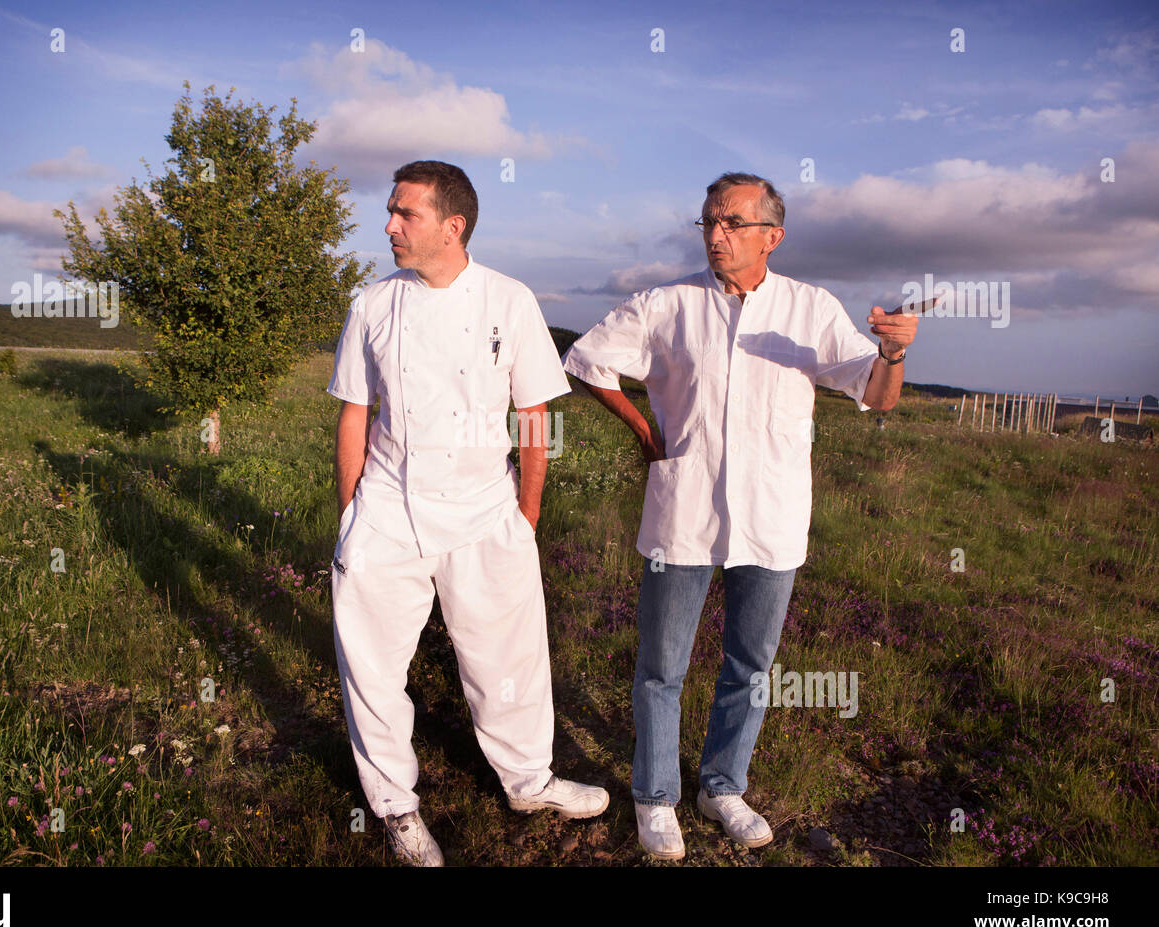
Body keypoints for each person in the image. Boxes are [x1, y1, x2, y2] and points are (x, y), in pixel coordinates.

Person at [561, 171, 918, 860]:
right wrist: (643, 433)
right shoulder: (667, 303)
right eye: (708, 222)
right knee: (662, 665)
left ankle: (722, 786)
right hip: (683, 510)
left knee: (751, 664)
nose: (716, 234)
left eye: (732, 223)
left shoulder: (810, 308)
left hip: (772, 515)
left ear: (771, 237)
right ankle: (656, 795)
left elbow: (875, 393)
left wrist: (894, 355)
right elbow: (587, 361)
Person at [327, 160, 609, 867]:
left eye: (404, 214)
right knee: (371, 666)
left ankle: (527, 780)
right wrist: (352, 518)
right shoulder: (372, 304)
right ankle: (394, 805)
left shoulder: (509, 301)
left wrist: (527, 514)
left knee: (508, 655)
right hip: (388, 506)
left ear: (452, 226)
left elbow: (534, 413)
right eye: (390, 212)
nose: (388, 226)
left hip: (487, 507)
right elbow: (355, 415)